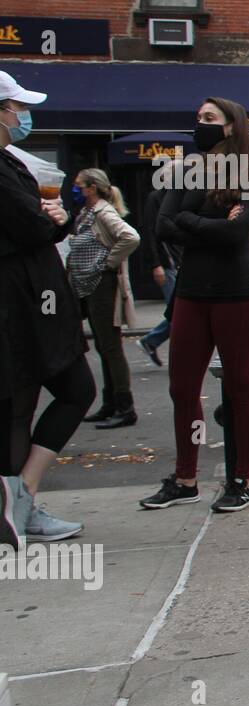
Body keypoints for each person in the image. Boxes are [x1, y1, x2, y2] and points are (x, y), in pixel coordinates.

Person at [142, 97, 249, 513]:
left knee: (239, 387)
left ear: (232, 126)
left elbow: (237, 234)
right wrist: (212, 223)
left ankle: (242, 480)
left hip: (237, 293)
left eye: (209, 118)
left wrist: (190, 222)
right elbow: (162, 226)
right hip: (192, 293)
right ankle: (185, 477)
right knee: (183, 389)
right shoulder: (186, 172)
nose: (201, 124)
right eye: (198, 118)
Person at [0, 69, 90, 544]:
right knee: (61, 391)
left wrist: (51, 218)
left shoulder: (10, 162)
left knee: (25, 403)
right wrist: (50, 219)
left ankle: (21, 501)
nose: (23, 116)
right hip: (23, 307)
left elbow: (40, 222)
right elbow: (33, 227)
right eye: (16, 107)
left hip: (32, 303)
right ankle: (20, 501)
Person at [68, 169, 140, 429]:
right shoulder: (88, 212)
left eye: (79, 185)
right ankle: (111, 403)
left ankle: (125, 406)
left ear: (92, 188)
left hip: (102, 285)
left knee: (110, 346)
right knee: (102, 344)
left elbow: (130, 237)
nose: (75, 189)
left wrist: (108, 263)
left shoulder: (103, 212)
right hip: (89, 284)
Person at [137, 180, 183, 367]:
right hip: (167, 262)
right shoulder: (157, 198)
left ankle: (151, 341)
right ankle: (153, 341)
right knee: (179, 312)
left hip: (175, 260)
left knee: (178, 311)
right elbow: (150, 232)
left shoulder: (175, 196)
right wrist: (156, 264)